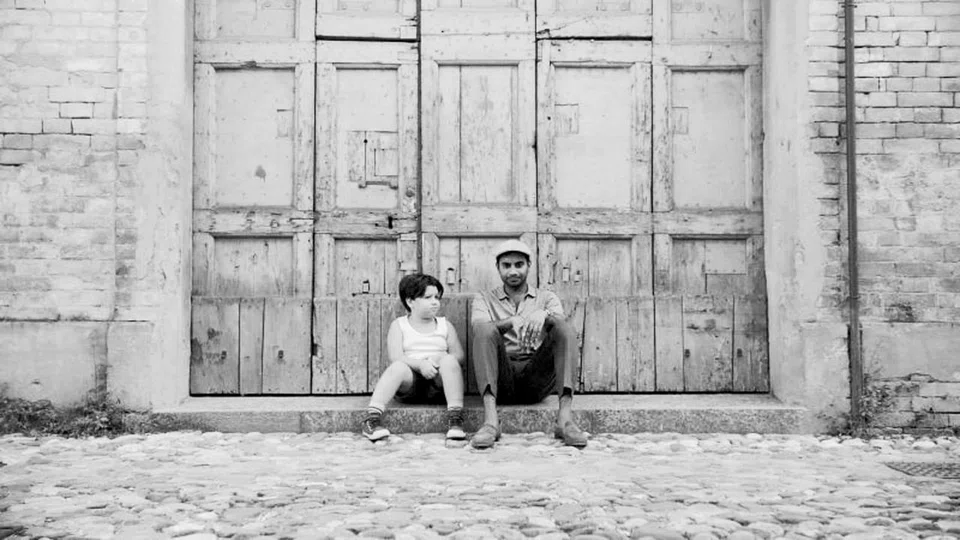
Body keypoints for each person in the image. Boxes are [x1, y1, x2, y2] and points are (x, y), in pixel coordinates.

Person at [469, 239, 588, 449]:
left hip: (536, 377)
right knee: (486, 330)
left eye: (519, 265)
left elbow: (560, 323)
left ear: (529, 266)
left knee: (564, 328)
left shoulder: (547, 297)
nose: (513, 271)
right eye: (506, 265)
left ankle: (565, 421)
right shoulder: (484, 298)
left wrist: (544, 314)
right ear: (498, 268)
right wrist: (510, 322)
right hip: (501, 377)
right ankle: (490, 423)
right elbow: (479, 329)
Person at [362, 273, 467, 442]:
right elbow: (396, 356)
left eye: (437, 297)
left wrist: (437, 360)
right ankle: (372, 419)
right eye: (427, 297)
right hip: (410, 384)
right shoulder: (399, 325)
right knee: (397, 367)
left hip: (439, 384)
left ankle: (455, 418)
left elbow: (459, 355)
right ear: (410, 301)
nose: (435, 302)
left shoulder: (444, 325)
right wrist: (420, 365)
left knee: (450, 361)